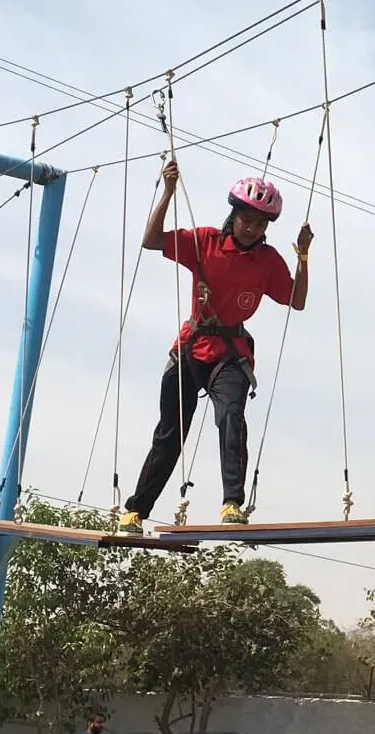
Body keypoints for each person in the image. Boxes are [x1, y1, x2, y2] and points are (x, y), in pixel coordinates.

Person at [117, 164, 310, 531]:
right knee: (171, 434)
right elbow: (151, 240)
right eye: (246, 220)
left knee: (231, 417)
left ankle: (231, 503)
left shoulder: (267, 261)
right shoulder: (204, 242)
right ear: (233, 217)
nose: (252, 229)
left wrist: (302, 256)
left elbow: (296, 300)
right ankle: (136, 510)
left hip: (231, 352)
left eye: (260, 224)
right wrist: (169, 192)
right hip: (191, 348)